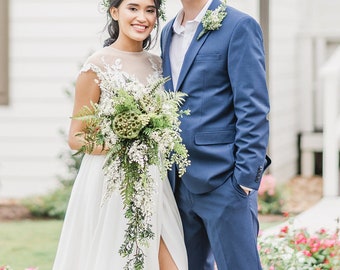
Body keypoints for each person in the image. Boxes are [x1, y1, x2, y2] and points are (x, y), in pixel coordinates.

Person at [52, 0, 188, 269]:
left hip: (153, 181)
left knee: (171, 261)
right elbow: (76, 137)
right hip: (111, 182)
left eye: (150, 10)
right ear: (115, 12)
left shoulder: (160, 65)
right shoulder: (96, 66)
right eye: (133, 8)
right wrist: (126, 142)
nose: (143, 17)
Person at [161, 0, 271, 269]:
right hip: (178, 184)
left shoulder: (239, 26)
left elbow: (253, 108)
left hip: (225, 182)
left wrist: (244, 180)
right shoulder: (167, 32)